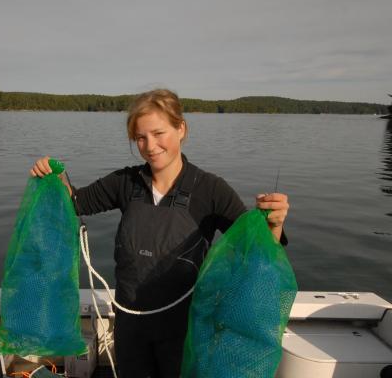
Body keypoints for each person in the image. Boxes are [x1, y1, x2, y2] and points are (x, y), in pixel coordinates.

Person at [30, 89, 289, 378]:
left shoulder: (211, 190)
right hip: (130, 325)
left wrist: (273, 226)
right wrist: (55, 178)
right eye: (141, 137)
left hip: (184, 327)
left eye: (158, 133)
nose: (150, 146)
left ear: (181, 129)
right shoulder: (126, 182)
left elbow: (255, 250)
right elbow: (75, 203)